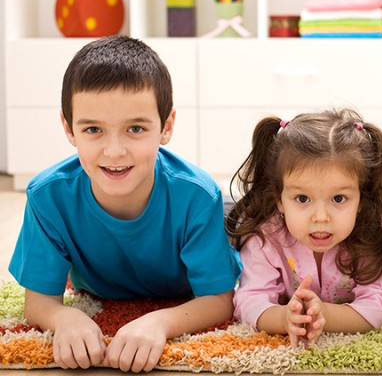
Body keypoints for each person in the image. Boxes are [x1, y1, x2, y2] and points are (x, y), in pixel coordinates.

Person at [8, 36, 241, 372]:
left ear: (167, 126)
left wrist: (160, 323)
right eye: (92, 129)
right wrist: (64, 318)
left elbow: (220, 300)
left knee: (249, 224)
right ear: (68, 128)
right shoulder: (48, 196)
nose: (114, 151)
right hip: (104, 284)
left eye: (135, 128)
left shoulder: (199, 196)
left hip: (194, 253)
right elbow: (39, 300)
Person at [228, 109, 382, 347]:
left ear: (361, 200)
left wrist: (325, 315)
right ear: (279, 199)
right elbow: (250, 299)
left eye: (339, 199)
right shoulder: (264, 235)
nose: (321, 217)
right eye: (302, 199)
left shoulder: (374, 233)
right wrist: (284, 318)